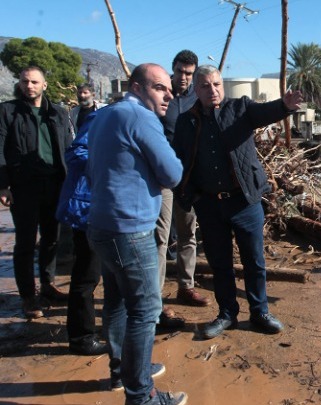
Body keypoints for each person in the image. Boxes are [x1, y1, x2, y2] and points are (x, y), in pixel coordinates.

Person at [173, 65, 302, 340]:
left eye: (217, 84)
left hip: (244, 201)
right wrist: (190, 195)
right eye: (206, 86)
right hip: (208, 205)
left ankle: (260, 312)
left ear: (223, 86)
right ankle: (227, 314)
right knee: (220, 263)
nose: (213, 91)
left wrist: (285, 106)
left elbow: (265, 112)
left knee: (254, 261)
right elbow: (180, 158)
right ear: (196, 90)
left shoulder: (240, 108)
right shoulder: (187, 121)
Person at [86, 63, 187, 405]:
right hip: (130, 230)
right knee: (145, 310)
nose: (168, 95)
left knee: (116, 302)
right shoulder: (142, 118)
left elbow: (93, 167)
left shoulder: (105, 115)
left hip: (101, 225)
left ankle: (123, 371)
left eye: (169, 90)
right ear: (138, 87)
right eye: (160, 88)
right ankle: (141, 394)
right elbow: (172, 173)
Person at [0, 66, 72, 319]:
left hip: (55, 184)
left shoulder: (59, 113)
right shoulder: (7, 112)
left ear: (44, 85)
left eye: (34, 82)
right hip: (24, 187)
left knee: (52, 238)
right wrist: (3, 185)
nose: (29, 86)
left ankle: (48, 284)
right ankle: (28, 297)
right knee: (26, 243)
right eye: (24, 81)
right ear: (19, 84)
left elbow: (68, 149)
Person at [156, 50, 210, 319]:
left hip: (188, 179)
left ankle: (185, 287)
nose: (183, 77)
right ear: (172, 69)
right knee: (161, 238)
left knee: (188, 235)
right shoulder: (161, 94)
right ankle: (154, 299)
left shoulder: (197, 97)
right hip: (163, 179)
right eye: (180, 71)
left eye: (189, 73)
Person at [55, 111, 108, 355]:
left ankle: (109, 328)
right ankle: (81, 337)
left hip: (108, 211)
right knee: (87, 275)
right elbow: (76, 153)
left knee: (111, 276)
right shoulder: (101, 118)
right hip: (87, 209)